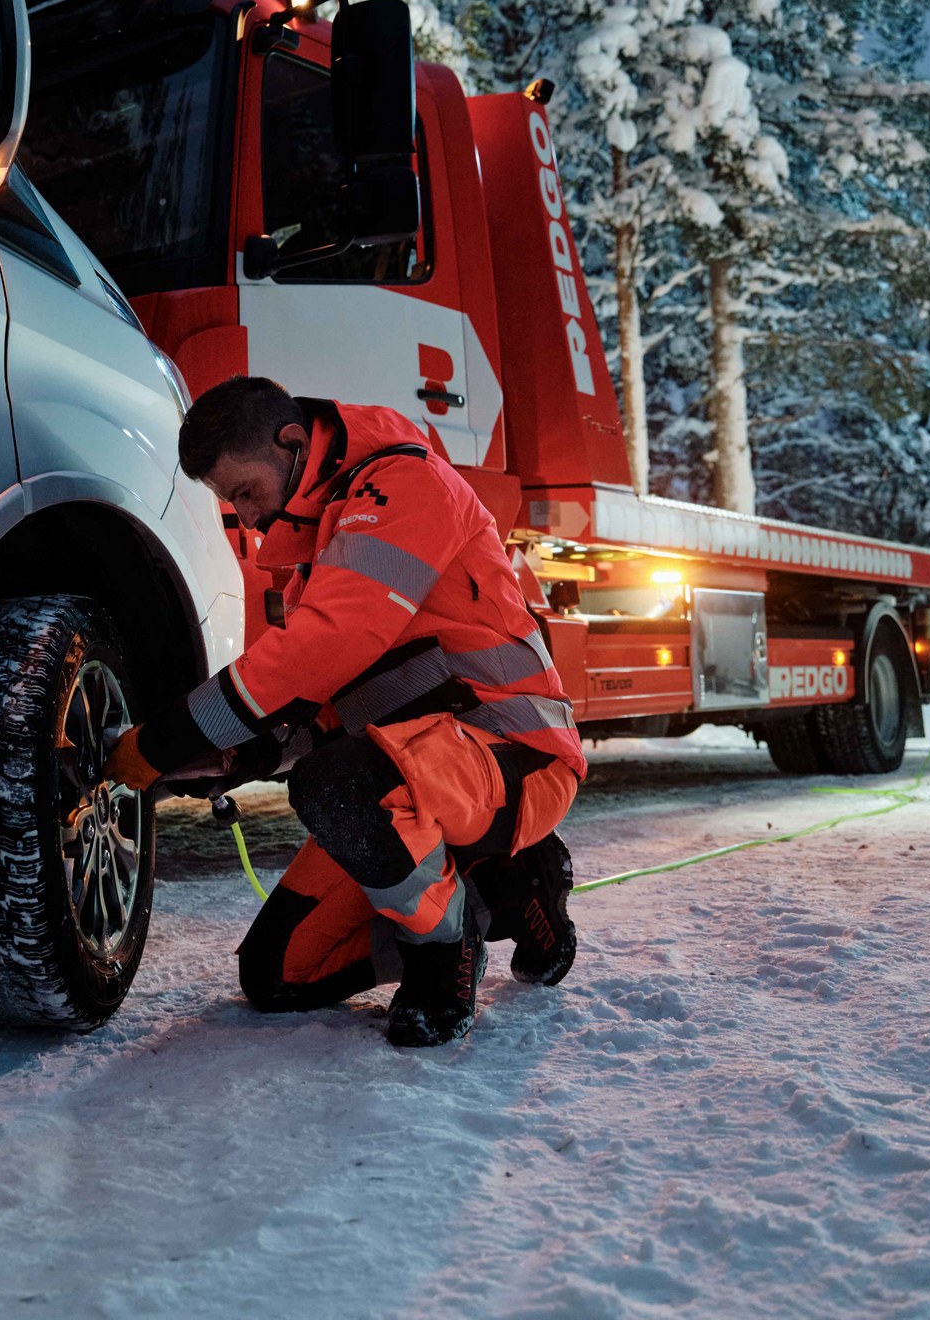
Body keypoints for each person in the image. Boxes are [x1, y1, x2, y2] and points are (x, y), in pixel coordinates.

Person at [106, 377, 584, 1046]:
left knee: (336, 784)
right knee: (279, 976)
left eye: (245, 492)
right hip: (420, 770)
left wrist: (161, 739)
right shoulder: (324, 554)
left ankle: (448, 956)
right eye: (229, 502)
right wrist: (240, 757)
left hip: (514, 754)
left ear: (294, 443)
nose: (244, 518)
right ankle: (487, 886)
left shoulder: (405, 488)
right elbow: (331, 709)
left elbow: (324, 647)